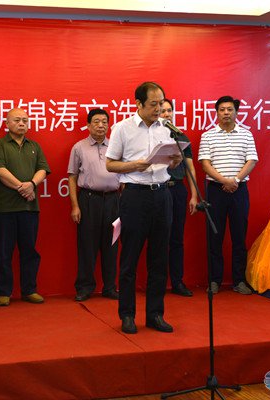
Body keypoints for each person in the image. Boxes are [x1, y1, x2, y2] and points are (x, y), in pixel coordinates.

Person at [106, 82, 182, 334]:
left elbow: (170, 164)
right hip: (135, 196)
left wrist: (175, 160)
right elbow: (110, 164)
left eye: (161, 104)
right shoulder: (122, 128)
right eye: (153, 104)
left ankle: (155, 314)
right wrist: (134, 165)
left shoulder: (166, 128)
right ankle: (127, 314)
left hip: (162, 195)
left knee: (159, 259)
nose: (158, 109)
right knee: (129, 259)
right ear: (138, 104)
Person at [198, 95, 258, 295]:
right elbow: (205, 164)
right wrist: (224, 181)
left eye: (229, 109)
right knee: (214, 237)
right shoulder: (208, 136)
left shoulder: (246, 134)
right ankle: (214, 280)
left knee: (239, 237)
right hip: (216, 190)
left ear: (236, 112)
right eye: (222, 109)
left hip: (239, 191)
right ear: (216, 112)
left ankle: (239, 280)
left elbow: (251, 160)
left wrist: (236, 180)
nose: (226, 113)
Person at [0, 108, 51, 307]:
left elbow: (43, 169)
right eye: (17, 120)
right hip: (5, 208)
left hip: (29, 207)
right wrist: (23, 188)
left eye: (25, 120)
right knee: (4, 252)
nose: (22, 123)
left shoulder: (34, 146)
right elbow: (0, 171)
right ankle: (4, 292)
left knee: (29, 250)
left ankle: (29, 289)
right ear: (7, 123)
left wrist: (31, 184)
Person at [68, 109, 120, 302]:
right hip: (89, 200)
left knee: (112, 245)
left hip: (114, 200)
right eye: (96, 122)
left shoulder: (116, 147)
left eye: (104, 122)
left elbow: (123, 176)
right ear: (88, 125)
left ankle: (110, 287)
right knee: (87, 245)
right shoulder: (79, 147)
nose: (101, 125)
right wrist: (75, 206)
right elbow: (72, 177)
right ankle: (85, 287)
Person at [159, 99, 198, 297]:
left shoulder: (181, 136)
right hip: (158, 190)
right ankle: (157, 282)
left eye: (169, 111)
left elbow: (190, 168)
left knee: (176, 238)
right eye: (162, 111)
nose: (166, 114)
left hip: (178, 190)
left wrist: (194, 195)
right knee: (158, 238)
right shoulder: (151, 136)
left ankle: (177, 282)